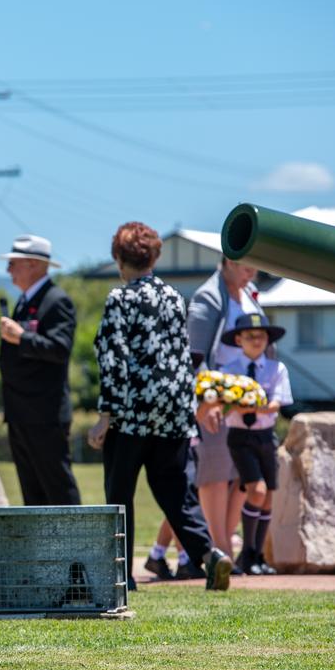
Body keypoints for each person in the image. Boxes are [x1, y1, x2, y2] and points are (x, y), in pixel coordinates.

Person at [87, 222, 232, 592]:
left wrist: (105, 416)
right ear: (154, 257)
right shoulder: (173, 297)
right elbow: (183, 356)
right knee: (176, 492)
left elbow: (113, 359)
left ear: (119, 259)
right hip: (173, 414)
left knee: (119, 493)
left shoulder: (120, 299)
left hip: (131, 414)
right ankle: (208, 555)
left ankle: (122, 575)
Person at [186, 257, 261, 568]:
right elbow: (195, 354)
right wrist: (208, 400)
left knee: (241, 477)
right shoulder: (208, 296)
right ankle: (220, 550)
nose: (252, 274)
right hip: (216, 399)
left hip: (245, 401)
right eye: (247, 268)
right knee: (215, 474)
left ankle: (220, 546)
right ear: (229, 261)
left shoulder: (250, 293)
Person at [0, 234, 80, 506]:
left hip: (44, 413)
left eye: (15, 263)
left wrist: (21, 337)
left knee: (56, 486)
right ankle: (39, 548)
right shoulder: (25, 300)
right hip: (22, 411)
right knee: (32, 491)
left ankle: (77, 545)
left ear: (34, 264)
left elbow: (60, 348)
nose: (9, 270)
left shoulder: (56, 300)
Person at [216, 313, 291, 576]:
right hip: (240, 437)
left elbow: (276, 404)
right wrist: (246, 405)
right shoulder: (228, 372)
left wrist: (247, 404)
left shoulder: (276, 369)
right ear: (238, 339)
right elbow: (222, 405)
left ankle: (257, 556)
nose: (256, 340)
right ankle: (247, 552)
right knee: (256, 491)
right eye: (249, 336)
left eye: (261, 336)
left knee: (268, 495)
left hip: (265, 436)